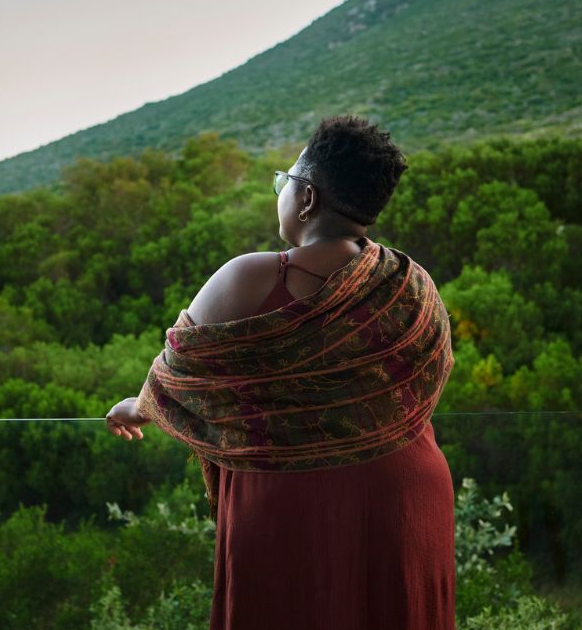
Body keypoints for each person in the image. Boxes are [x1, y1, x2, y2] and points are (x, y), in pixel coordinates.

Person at [105, 115, 456, 630]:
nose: (280, 192)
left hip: (292, 503)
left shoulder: (250, 276)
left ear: (307, 198)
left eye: (283, 182)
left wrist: (137, 407)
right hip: (406, 498)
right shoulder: (411, 282)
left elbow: (177, 374)